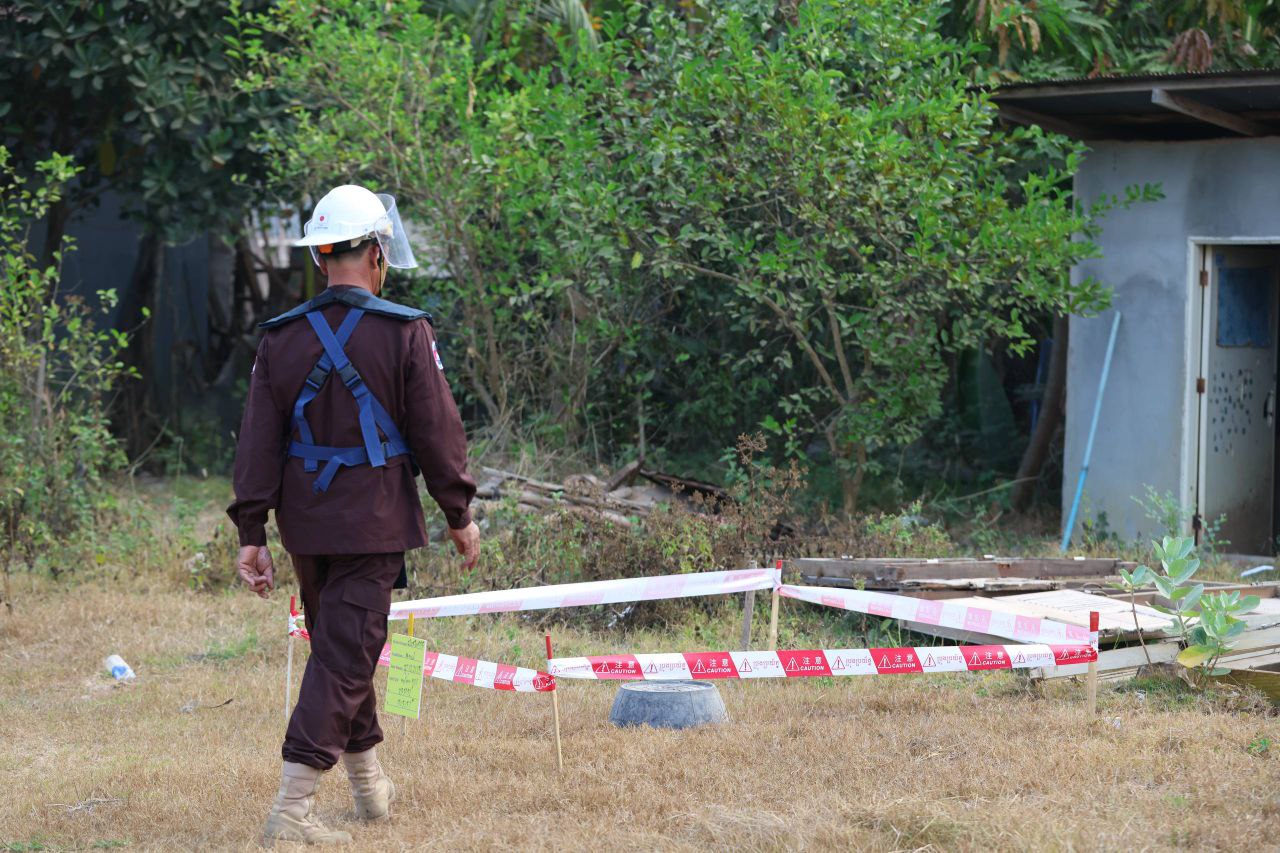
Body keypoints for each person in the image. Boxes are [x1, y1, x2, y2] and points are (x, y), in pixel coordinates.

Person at [227, 184, 478, 846]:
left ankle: (369, 790)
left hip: (306, 525)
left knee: (344, 648)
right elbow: (438, 431)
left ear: (321, 257)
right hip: (373, 522)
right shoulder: (405, 331)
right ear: (376, 253)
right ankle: (291, 809)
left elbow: (255, 442)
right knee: (343, 657)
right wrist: (458, 513)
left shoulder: (279, 339)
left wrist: (252, 532)